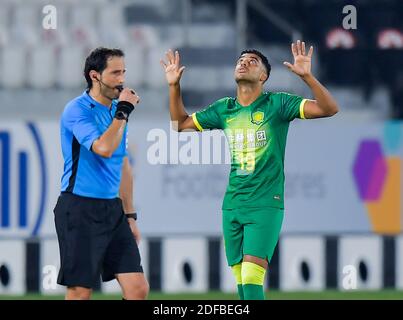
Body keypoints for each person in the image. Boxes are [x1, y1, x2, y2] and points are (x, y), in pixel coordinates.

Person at [160, 41, 339, 300]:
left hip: (265, 203)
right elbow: (180, 125)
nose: (244, 62)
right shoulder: (224, 109)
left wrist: (307, 77)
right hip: (232, 204)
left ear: (264, 76)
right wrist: (174, 86)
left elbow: (329, 109)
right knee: (242, 281)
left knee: (253, 276)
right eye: (241, 60)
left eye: (252, 61)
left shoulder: (278, 104)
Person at [54, 47, 149, 300]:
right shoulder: (77, 110)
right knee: (80, 292)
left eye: (124, 72)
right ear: (95, 76)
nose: (122, 80)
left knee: (138, 289)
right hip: (79, 208)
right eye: (115, 73)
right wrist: (123, 112)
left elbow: (121, 163)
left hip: (113, 211)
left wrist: (130, 215)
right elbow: (104, 148)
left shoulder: (117, 111)